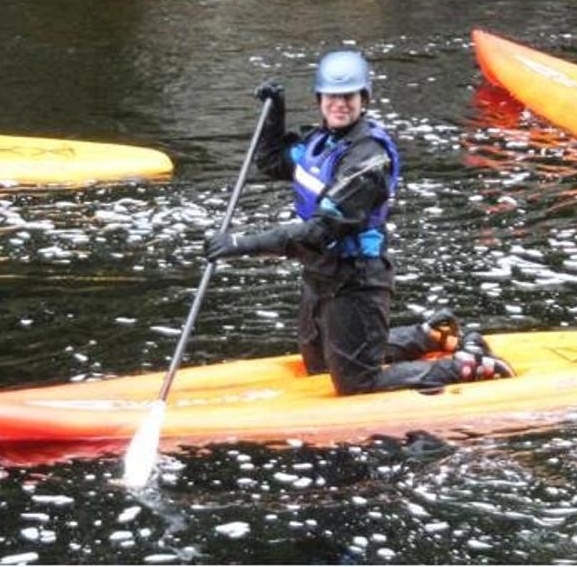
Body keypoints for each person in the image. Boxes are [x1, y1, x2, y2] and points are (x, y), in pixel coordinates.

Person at [204, 50, 514, 395]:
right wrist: (274, 115)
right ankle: (425, 335)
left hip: (357, 280)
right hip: (319, 274)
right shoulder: (319, 142)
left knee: (355, 382)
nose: (340, 104)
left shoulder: (368, 160)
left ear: (363, 99)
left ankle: (462, 367)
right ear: (320, 99)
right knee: (318, 366)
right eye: (332, 97)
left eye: (348, 96)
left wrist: (241, 244)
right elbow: (272, 161)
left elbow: (319, 232)